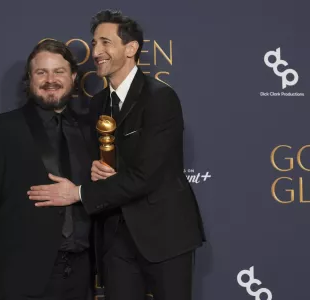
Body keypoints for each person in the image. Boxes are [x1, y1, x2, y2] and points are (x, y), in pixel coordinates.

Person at [28, 9, 206, 300]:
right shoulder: (98, 103)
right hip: (115, 239)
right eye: (94, 43)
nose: (96, 52)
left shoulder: (160, 98)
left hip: (165, 235)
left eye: (105, 42)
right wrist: (96, 169)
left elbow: (147, 175)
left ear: (131, 48)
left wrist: (79, 193)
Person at [0, 39, 95, 300]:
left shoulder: (90, 130)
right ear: (30, 79)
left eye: (58, 71)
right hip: (21, 271)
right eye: (41, 72)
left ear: (72, 77)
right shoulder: (3, 128)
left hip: (80, 272)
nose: (50, 79)